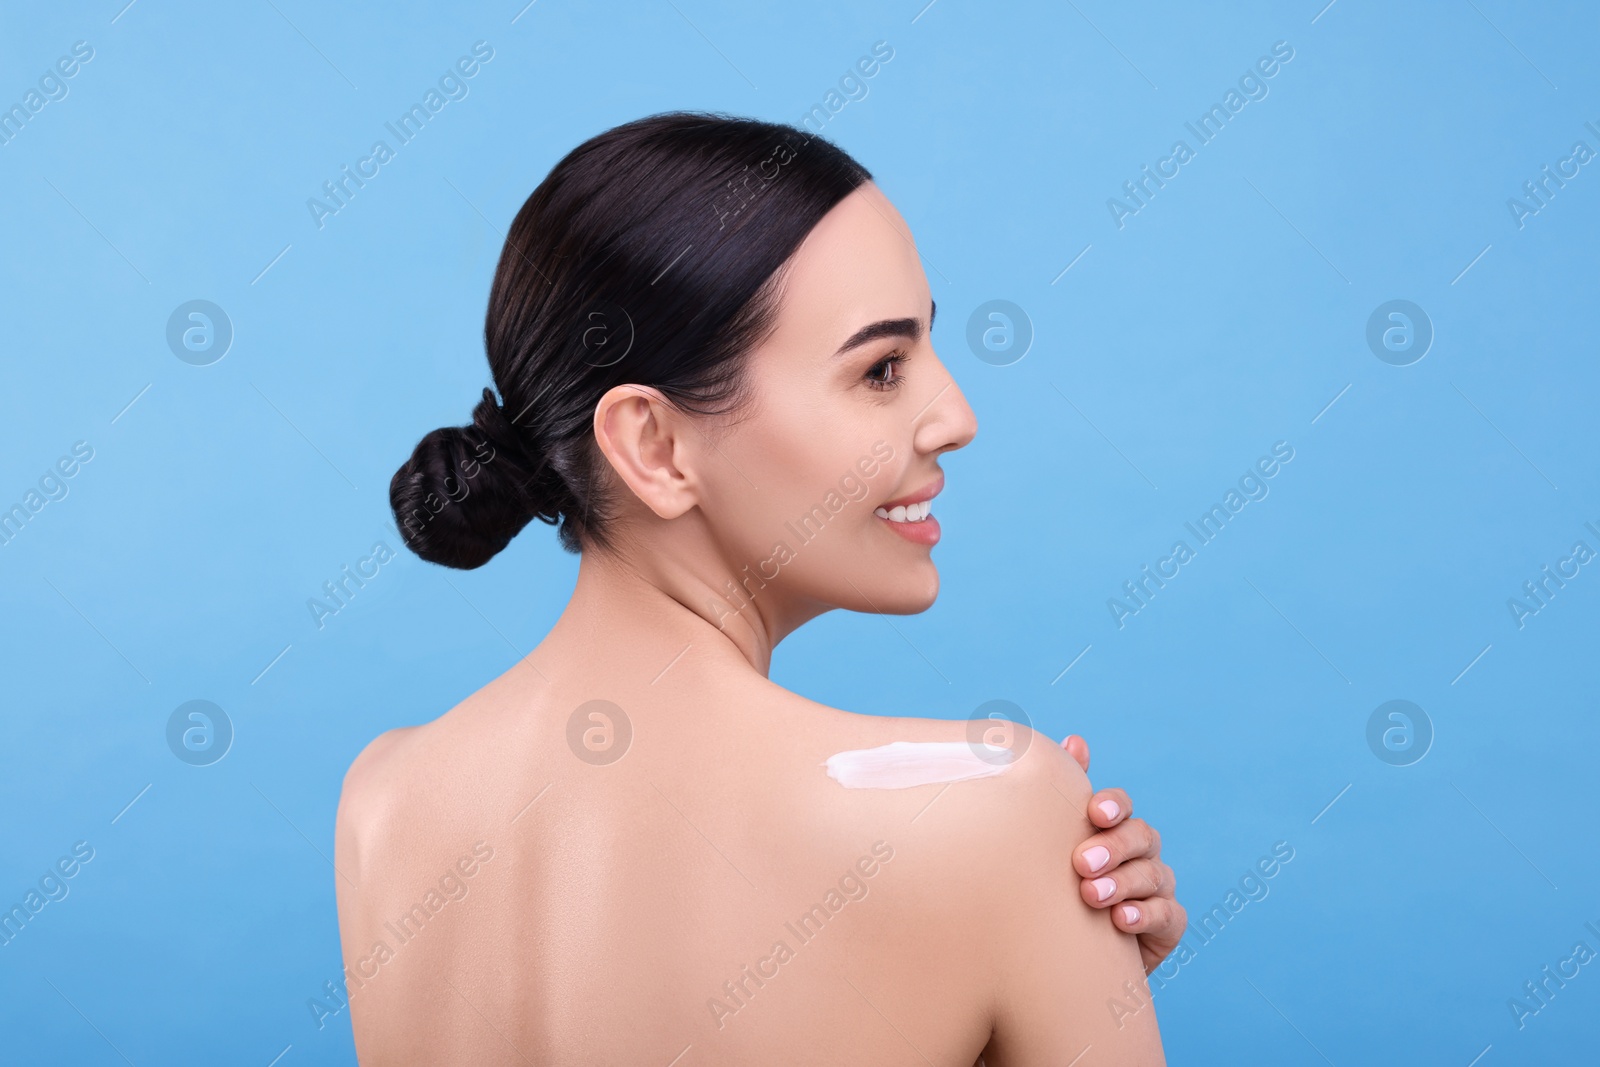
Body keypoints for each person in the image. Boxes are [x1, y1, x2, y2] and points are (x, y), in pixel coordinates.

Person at [336, 111, 1182, 1064]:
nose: (956, 416)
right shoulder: (995, 813)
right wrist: (1043, 940)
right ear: (654, 445)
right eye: (882, 369)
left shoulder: (386, 799)